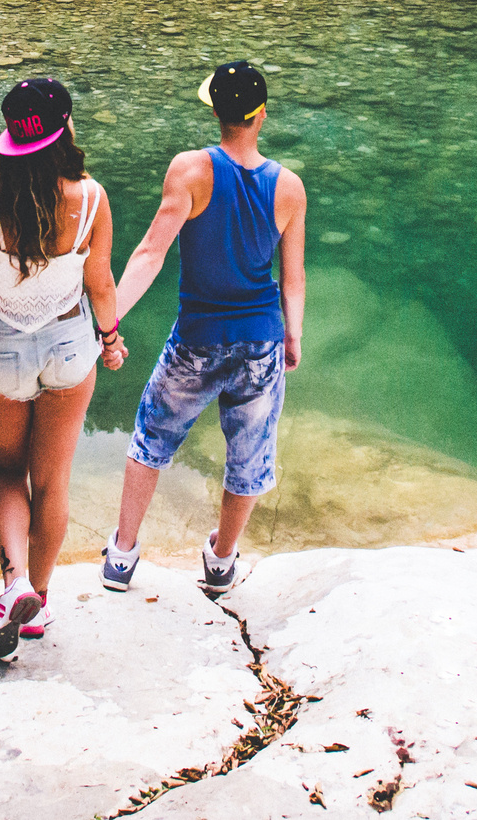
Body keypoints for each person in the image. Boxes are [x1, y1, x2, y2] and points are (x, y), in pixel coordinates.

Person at [102, 60, 307, 599]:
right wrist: (294, 334)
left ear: (215, 112)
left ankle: (122, 555)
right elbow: (294, 277)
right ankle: (220, 562)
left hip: (196, 339)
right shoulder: (289, 187)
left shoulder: (190, 171)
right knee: (251, 454)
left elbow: (150, 252)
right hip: (261, 339)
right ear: (260, 116)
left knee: (152, 435)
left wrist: (111, 317)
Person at [0, 76, 128, 658]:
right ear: (64, 129)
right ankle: (38, 603)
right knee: (52, 482)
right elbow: (99, 283)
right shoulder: (91, 199)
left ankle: (13, 582)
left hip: (1, 351)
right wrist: (112, 340)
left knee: (6, 472)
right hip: (72, 347)